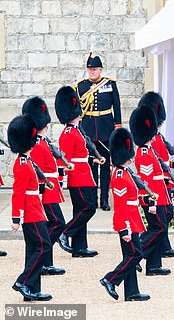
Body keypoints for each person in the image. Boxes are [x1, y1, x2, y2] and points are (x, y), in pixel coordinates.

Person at [99, 128, 150, 302]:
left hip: (132, 219)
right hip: (127, 221)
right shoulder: (120, 175)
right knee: (135, 255)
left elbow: (131, 197)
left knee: (130, 257)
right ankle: (110, 279)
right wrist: (124, 229)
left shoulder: (126, 172)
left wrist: (145, 199)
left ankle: (132, 292)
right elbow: (120, 206)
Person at [9, 114, 53, 301]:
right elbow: (18, 193)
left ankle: (32, 291)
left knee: (32, 249)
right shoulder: (22, 164)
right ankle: (24, 282)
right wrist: (16, 218)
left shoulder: (27, 161)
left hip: (35, 209)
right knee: (45, 246)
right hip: (31, 212)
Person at [22, 97, 66, 275]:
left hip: (50, 190)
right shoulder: (38, 145)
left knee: (52, 225)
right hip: (45, 193)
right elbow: (37, 171)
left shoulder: (42, 142)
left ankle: (45, 262)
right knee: (58, 223)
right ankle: (43, 259)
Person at [138, 92, 174, 259]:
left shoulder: (157, 137)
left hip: (163, 182)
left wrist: (173, 166)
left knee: (165, 217)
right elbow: (153, 167)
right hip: (159, 185)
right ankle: (141, 251)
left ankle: (163, 248)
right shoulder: (151, 141)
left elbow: (163, 160)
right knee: (160, 222)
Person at [55, 86, 99, 258]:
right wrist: (62, 179)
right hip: (77, 177)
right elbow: (65, 159)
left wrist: (92, 159)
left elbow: (80, 155)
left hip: (84, 174)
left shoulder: (77, 131)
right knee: (89, 208)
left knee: (80, 210)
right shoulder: (67, 133)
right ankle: (65, 232)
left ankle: (79, 248)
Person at [75, 54, 122, 211]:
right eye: (90, 70)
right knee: (92, 166)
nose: (92, 72)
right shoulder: (80, 86)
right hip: (88, 130)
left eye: (94, 69)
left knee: (105, 166)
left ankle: (104, 200)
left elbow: (116, 105)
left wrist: (117, 126)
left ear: (100, 70)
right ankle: (92, 199)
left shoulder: (109, 84)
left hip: (106, 129)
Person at [130, 105, 171, 276]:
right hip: (153, 198)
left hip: (159, 195)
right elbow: (147, 181)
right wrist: (152, 201)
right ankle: (137, 254)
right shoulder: (145, 153)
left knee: (160, 228)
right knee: (158, 229)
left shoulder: (149, 150)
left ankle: (153, 265)